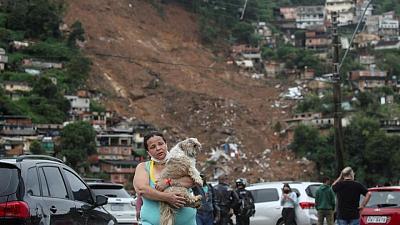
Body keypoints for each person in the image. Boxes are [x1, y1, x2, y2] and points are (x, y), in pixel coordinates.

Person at [133, 132, 197, 225]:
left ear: (166, 144)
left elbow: (194, 180)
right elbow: (142, 189)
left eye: (160, 144)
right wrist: (167, 197)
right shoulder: (143, 167)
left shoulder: (181, 162)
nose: (158, 148)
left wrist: (169, 182)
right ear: (148, 152)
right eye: (152, 147)